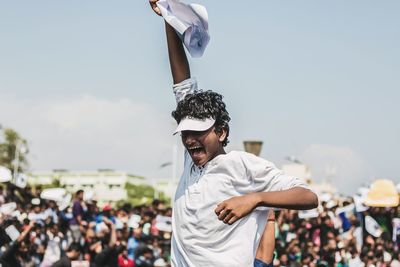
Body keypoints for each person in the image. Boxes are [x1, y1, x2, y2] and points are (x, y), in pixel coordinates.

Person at [149, 1, 319, 266]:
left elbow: (308, 197)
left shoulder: (242, 164)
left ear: (222, 132)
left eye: (198, 132)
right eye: (185, 133)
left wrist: (255, 199)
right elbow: (181, 83)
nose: (190, 139)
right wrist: (168, 16)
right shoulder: (191, 161)